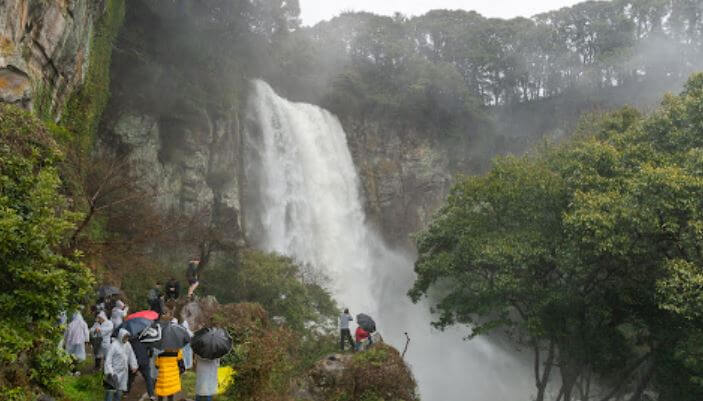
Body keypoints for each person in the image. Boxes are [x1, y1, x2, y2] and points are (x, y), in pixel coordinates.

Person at [104, 329, 138, 401]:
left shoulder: (127, 344)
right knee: (110, 393)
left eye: (127, 337)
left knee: (119, 392)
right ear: (120, 336)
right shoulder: (113, 345)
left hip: (123, 372)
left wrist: (134, 365)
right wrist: (110, 372)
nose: (126, 339)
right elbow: (108, 360)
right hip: (113, 372)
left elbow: (131, 355)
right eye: (125, 337)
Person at [128, 335, 156, 401]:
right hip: (144, 361)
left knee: (131, 377)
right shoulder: (145, 339)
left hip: (135, 362)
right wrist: (148, 356)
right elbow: (151, 350)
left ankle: (126, 392)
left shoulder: (131, 340)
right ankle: (151, 395)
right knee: (148, 378)